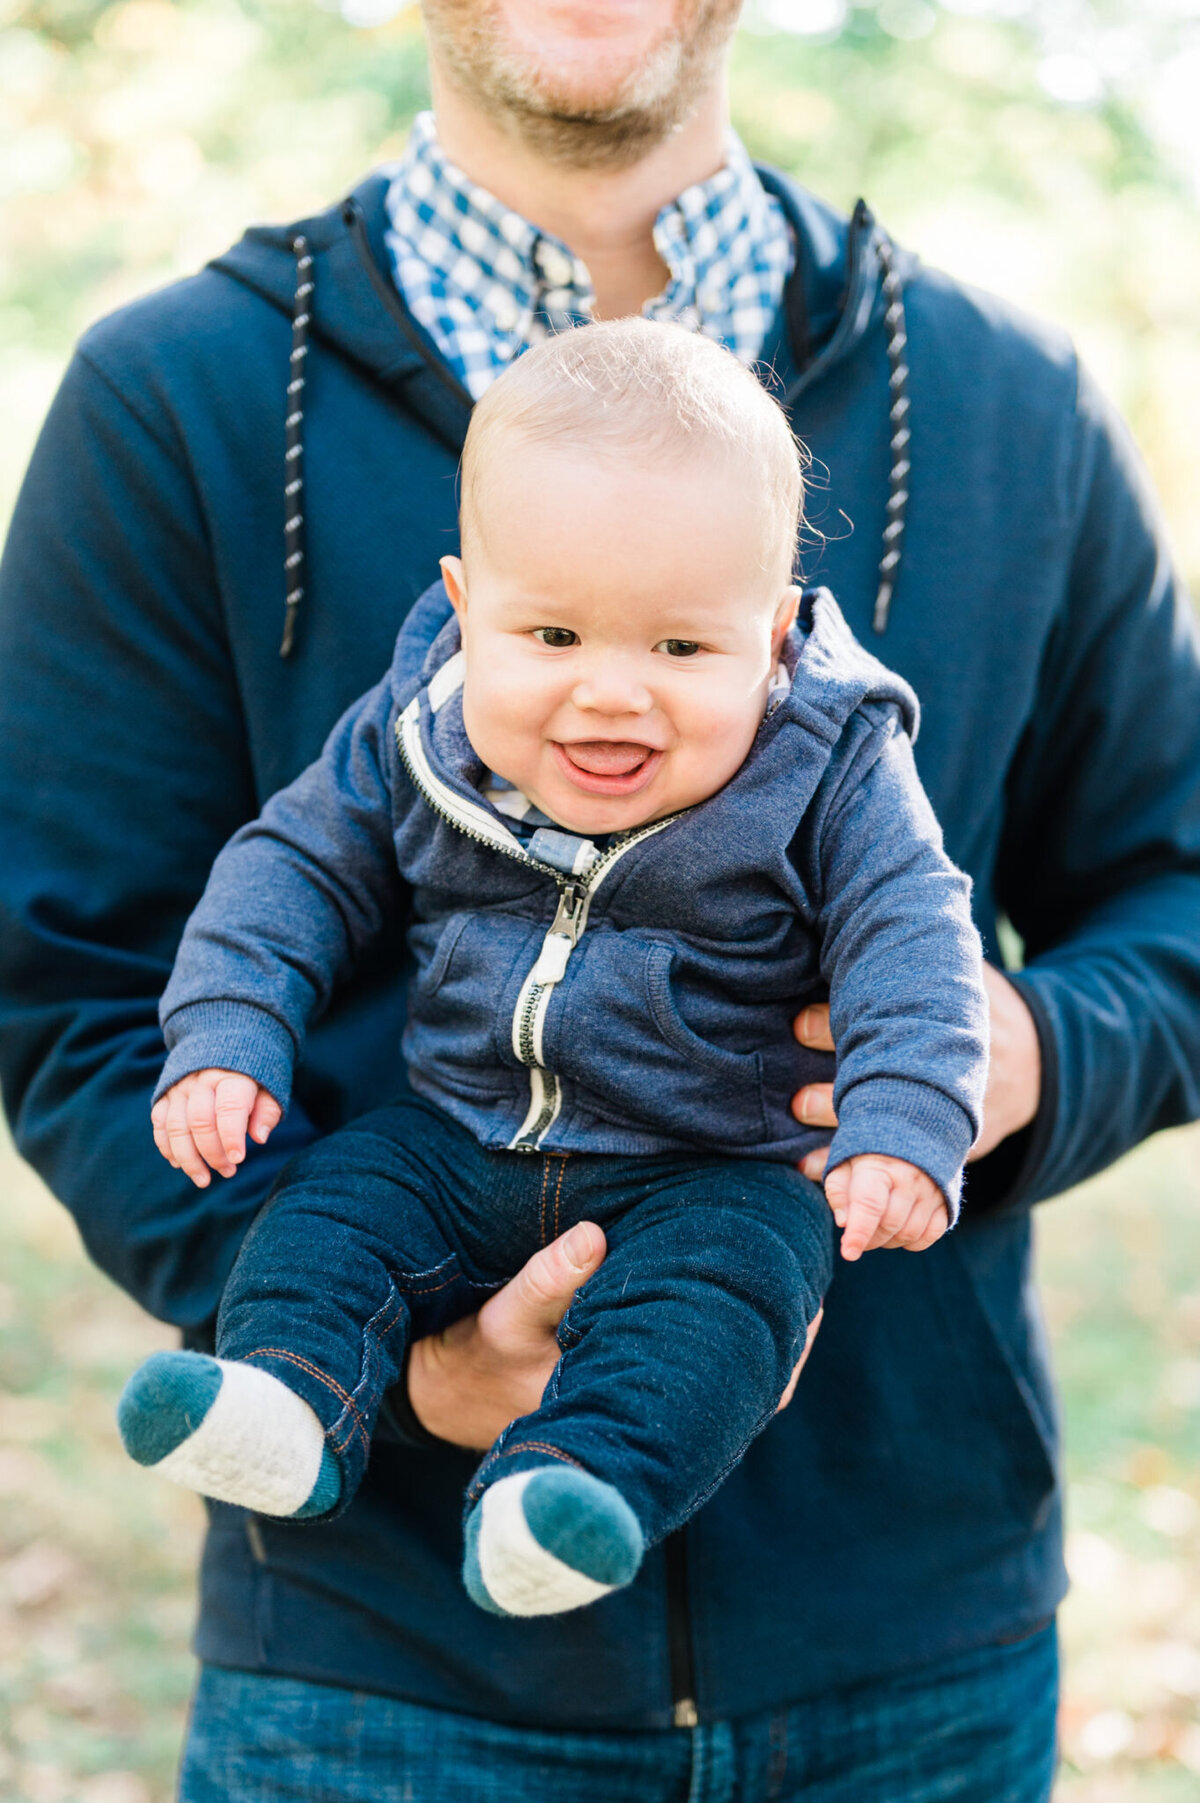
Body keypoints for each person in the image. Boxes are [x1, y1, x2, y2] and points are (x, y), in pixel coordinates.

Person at [1, 0, 1198, 1794]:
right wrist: (400, 1367)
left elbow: (1176, 894)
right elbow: (64, 987)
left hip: (913, 1671)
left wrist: (1006, 1054)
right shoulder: (184, 401)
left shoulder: (994, 397)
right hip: (380, 1680)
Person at [116, 320, 987, 1619]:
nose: (611, 697)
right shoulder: (418, 732)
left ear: (777, 636)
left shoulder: (833, 763)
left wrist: (910, 1117)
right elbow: (290, 865)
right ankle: (289, 1399)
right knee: (332, 1214)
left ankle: (573, 1487)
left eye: (681, 650)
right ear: (470, 610)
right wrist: (230, 1026)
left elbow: (910, 927)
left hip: (706, 1168)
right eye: (555, 637)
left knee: (728, 1300)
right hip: (455, 1137)